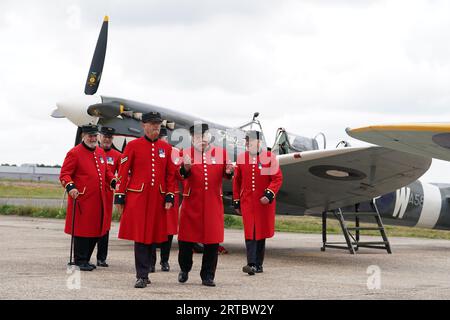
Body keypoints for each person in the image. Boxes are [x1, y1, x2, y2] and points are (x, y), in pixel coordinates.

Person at [114, 112, 177, 288]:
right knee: (140, 236)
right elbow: (123, 171)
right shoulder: (133, 146)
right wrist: (120, 195)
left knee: (155, 235)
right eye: (152, 124)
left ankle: (148, 268)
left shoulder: (167, 149)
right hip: (138, 197)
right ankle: (141, 275)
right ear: (144, 125)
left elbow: (170, 175)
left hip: (158, 198)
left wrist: (170, 195)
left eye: (158, 124)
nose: (156, 126)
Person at [177, 123, 233, 287]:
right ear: (192, 138)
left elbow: (227, 171)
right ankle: (185, 269)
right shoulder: (185, 153)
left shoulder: (221, 153)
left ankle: (208, 275)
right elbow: (180, 175)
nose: (201, 139)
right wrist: (185, 168)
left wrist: (230, 171)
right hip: (191, 203)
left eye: (204, 136)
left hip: (212, 204)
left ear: (209, 136)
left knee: (212, 242)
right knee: (185, 241)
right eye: (197, 137)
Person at [60, 124, 117, 271]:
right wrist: (70, 186)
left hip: (99, 200)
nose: (92, 138)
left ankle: (86, 259)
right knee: (82, 231)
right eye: (89, 136)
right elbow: (65, 174)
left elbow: (106, 172)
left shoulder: (100, 152)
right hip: (82, 199)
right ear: (83, 136)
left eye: (94, 135)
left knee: (96, 230)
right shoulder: (74, 153)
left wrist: (112, 180)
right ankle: (79, 260)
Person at [232, 130, 283, 275]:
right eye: (247, 140)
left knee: (260, 233)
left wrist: (269, 193)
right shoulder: (242, 158)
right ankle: (251, 264)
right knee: (250, 232)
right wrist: (236, 201)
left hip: (263, 203)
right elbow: (237, 181)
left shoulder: (268, 157)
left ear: (259, 142)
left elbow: (277, 178)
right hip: (247, 201)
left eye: (251, 140)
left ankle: (258, 264)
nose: (248, 143)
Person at [150, 127, 180, 272]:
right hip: (156, 194)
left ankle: (164, 261)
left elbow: (181, 175)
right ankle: (151, 262)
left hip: (171, 194)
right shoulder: (151, 151)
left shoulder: (174, 153)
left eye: (165, 139)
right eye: (163, 139)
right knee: (153, 228)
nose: (165, 142)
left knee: (169, 231)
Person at [95, 126, 121, 267]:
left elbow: (121, 175)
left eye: (110, 137)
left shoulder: (116, 155)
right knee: (91, 224)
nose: (107, 139)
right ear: (99, 137)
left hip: (107, 194)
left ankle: (101, 258)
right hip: (93, 194)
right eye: (105, 136)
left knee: (105, 226)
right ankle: (84, 256)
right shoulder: (93, 152)